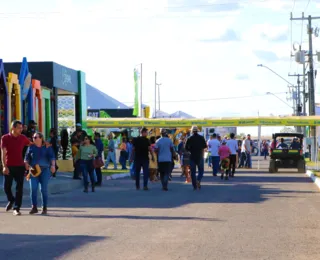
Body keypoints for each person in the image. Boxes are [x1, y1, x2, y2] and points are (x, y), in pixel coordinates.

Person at [1, 120, 31, 216]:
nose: (21, 130)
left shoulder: (22, 138)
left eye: (21, 128)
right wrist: (4, 166)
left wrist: (43, 143)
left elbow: (31, 144)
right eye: (19, 128)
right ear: (13, 128)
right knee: (6, 187)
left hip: (20, 166)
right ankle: (11, 199)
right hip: (9, 166)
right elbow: (3, 153)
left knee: (19, 188)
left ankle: (16, 208)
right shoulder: (5, 138)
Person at [24, 132, 56, 215]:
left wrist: (53, 165)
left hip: (44, 169)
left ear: (41, 138)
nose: (34, 139)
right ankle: (34, 207)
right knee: (33, 188)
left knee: (43, 189)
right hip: (33, 169)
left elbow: (52, 157)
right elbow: (27, 157)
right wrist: (26, 163)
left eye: (36, 137)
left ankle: (44, 207)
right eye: (33, 137)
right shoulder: (31, 147)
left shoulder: (47, 146)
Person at [185, 125, 207, 190]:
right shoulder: (201, 137)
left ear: (191, 131)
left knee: (193, 172)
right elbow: (205, 146)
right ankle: (198, 179)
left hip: (192, 156)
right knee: (201, 170)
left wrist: (190, 150)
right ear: (197, 131)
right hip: (200, 156)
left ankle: (194, 185)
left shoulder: (189, 138)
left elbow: (186, 148)